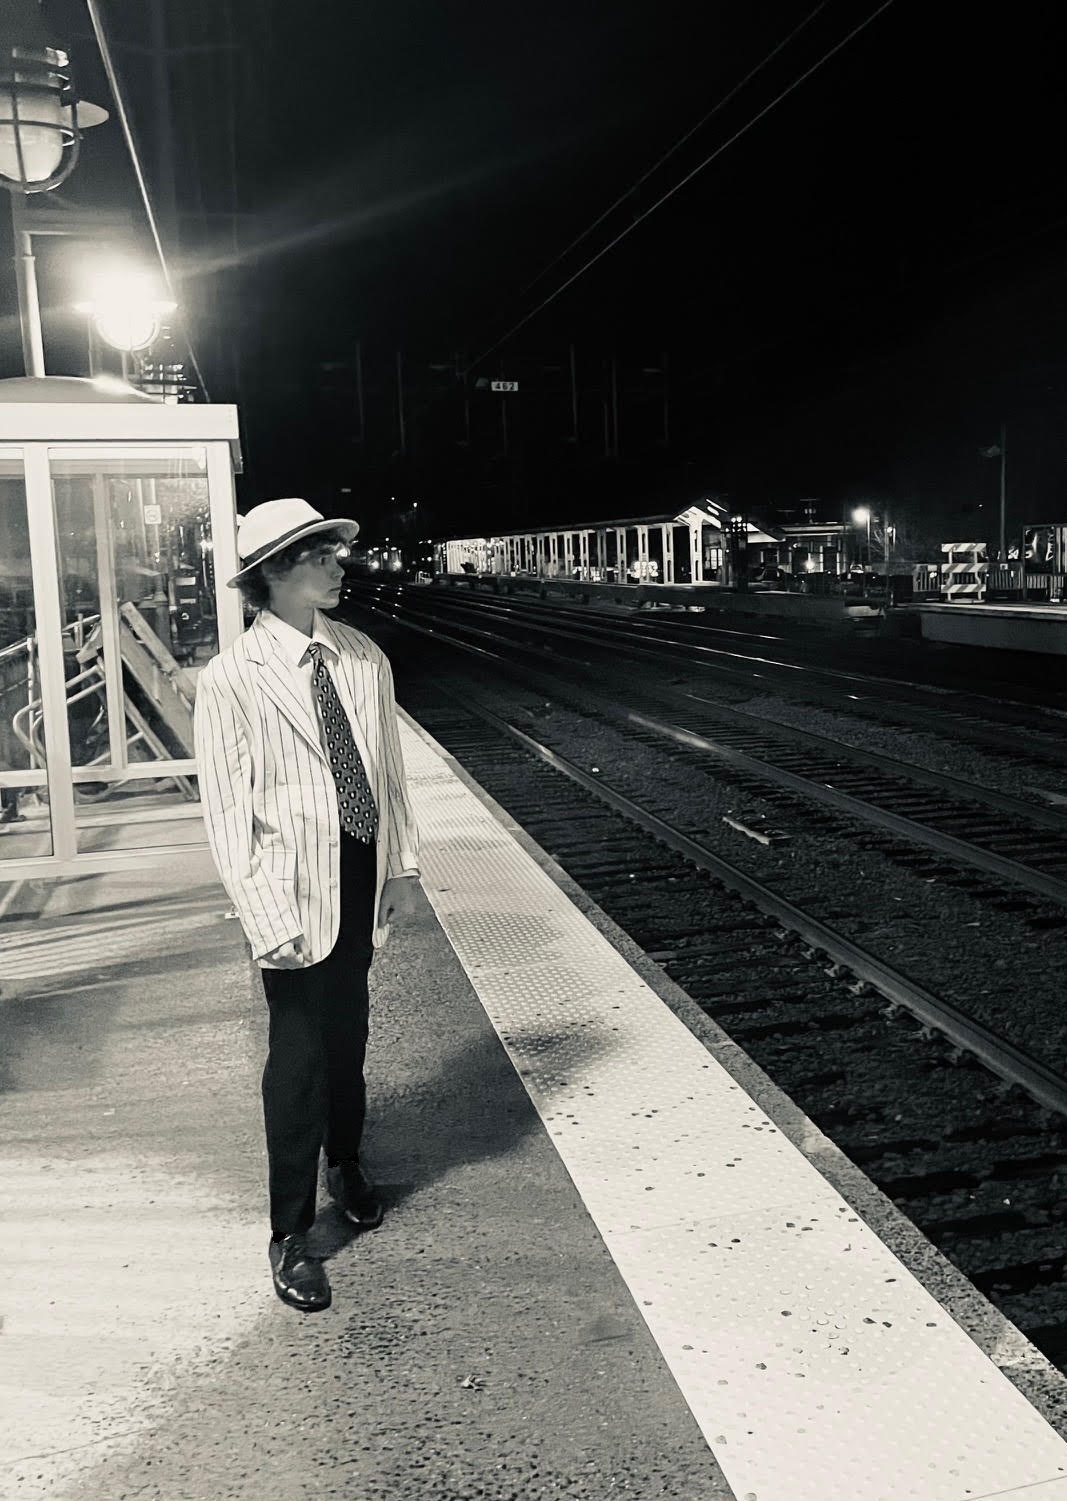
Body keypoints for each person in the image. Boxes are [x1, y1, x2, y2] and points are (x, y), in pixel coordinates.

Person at [193, 498, 420, 1313]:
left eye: (334, 552)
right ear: (274, 575)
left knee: (350, 1025)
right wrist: (264, 914)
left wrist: (400, 866)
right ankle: (289, 1232)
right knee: (295, 1054)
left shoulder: (360, 656)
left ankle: (346, 1158)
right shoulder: (232, 678)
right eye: (320, 555)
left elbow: (387, 770)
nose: (338, 564)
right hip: (286, 885)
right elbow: (225, 810)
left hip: (358, 868)